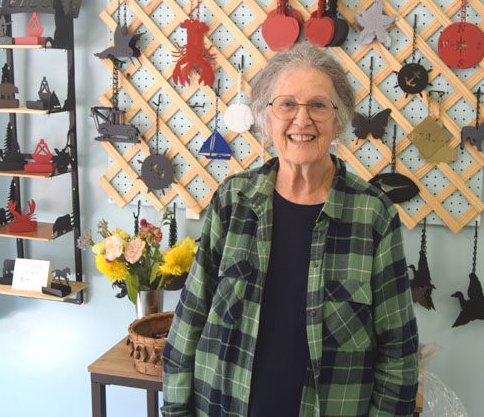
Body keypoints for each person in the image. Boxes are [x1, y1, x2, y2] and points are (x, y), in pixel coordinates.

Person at [161, 42, 419, 417]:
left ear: (339, 118)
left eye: (318, 105)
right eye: (286, 104)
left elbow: (399, 354)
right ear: (267, 118)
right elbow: (190, 319)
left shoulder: (372, 214)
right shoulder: (233, 201)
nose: (302, 120)